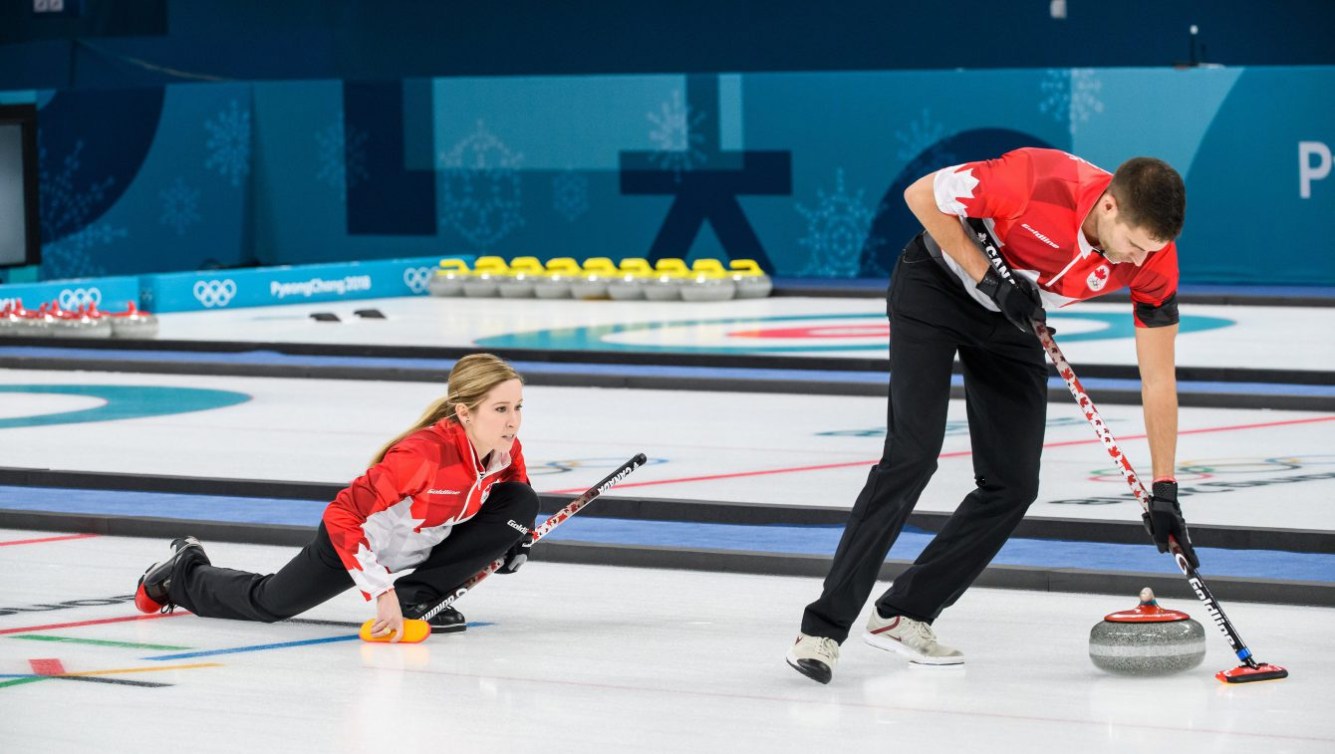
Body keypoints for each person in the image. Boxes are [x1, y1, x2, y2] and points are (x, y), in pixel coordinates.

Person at [786, 148, 1197, 683]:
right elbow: (920, 196)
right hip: (935, 287)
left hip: (1013, 320)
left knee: (1014, 483)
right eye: (1135, 247)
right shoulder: (1037, 180)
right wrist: (990, 279)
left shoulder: (1155, 259)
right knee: (912, 456)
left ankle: (904, 613)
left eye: (1154, 252)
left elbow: (1158, 379)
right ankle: (822, 628)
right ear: (1111, 207)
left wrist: (1164, 487)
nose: (1140, 263)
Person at [133, 353, 538, 641]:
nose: (513, 420)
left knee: (522, 502)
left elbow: (516, 495)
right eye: (500, 409)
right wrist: (382, 594)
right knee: (270, 604)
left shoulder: (504, 450)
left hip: (428, 542)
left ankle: (419, 597)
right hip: (358, 544)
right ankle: (181, 575)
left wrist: (517, 538)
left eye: (518, 406)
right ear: (465, 412)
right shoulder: (422, 455)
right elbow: (344, 514)